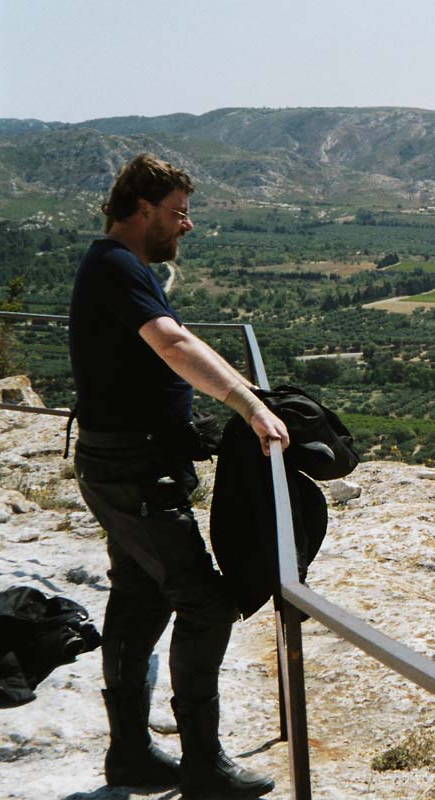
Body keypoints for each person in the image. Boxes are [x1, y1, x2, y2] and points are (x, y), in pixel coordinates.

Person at [69, 153, 289, 799]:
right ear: (141, 210)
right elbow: (174, 344)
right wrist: (250, 405)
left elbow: (170, 345)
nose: (186, 226)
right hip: (130, 469)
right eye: (178, 212)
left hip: (127, 462)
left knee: (139, 601)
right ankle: (203, 764)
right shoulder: (116, 265)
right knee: (205, 603)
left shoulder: (120, 267)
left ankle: (130, 756)